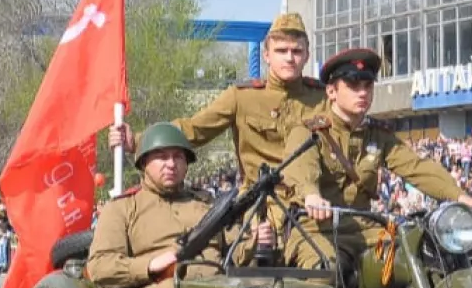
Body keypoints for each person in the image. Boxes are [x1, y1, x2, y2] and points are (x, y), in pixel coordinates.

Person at [281, 48, 472, 277]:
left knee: (420, 264)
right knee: (325, 271)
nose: (362, 92)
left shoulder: (377, 134)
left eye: (367, 85)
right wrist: (311, 194)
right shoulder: (309, 130)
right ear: (331, 91)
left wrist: (460, 196)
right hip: (315, 231)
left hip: (366, 231)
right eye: (353, 85)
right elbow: (303, 167)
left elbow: (415, 166)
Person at [86, 123, 272, 288]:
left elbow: (235, 252)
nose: (171, 164)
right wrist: (148, 266)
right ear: (144, 162)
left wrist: (256, 241)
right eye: (162, 157)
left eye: (177, 157)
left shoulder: (206, 204)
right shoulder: (122, 208)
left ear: (186, 164)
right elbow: (100, 265)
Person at [110, 10, 325, 195]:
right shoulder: (241, 97)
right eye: (281, 51)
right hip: (261, 206)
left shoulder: (323, 99)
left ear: (306, 55)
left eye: (296, 51)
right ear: (267, 55)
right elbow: (194, 129)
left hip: (314, 204)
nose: (289, 58)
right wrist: (138, 141)